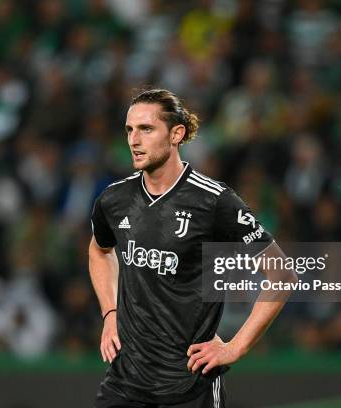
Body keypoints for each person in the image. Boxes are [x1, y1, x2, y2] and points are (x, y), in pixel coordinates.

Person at [89, 89, 296, 407]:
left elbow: (282, 274)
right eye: (130, 129)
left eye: (146, 129)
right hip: (125, 383)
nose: (134, 140)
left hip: (189, 387)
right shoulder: (114, 200)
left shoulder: (213, 200)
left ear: (176, 134)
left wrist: (235, 347)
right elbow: (100, 251)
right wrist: (110, 313)